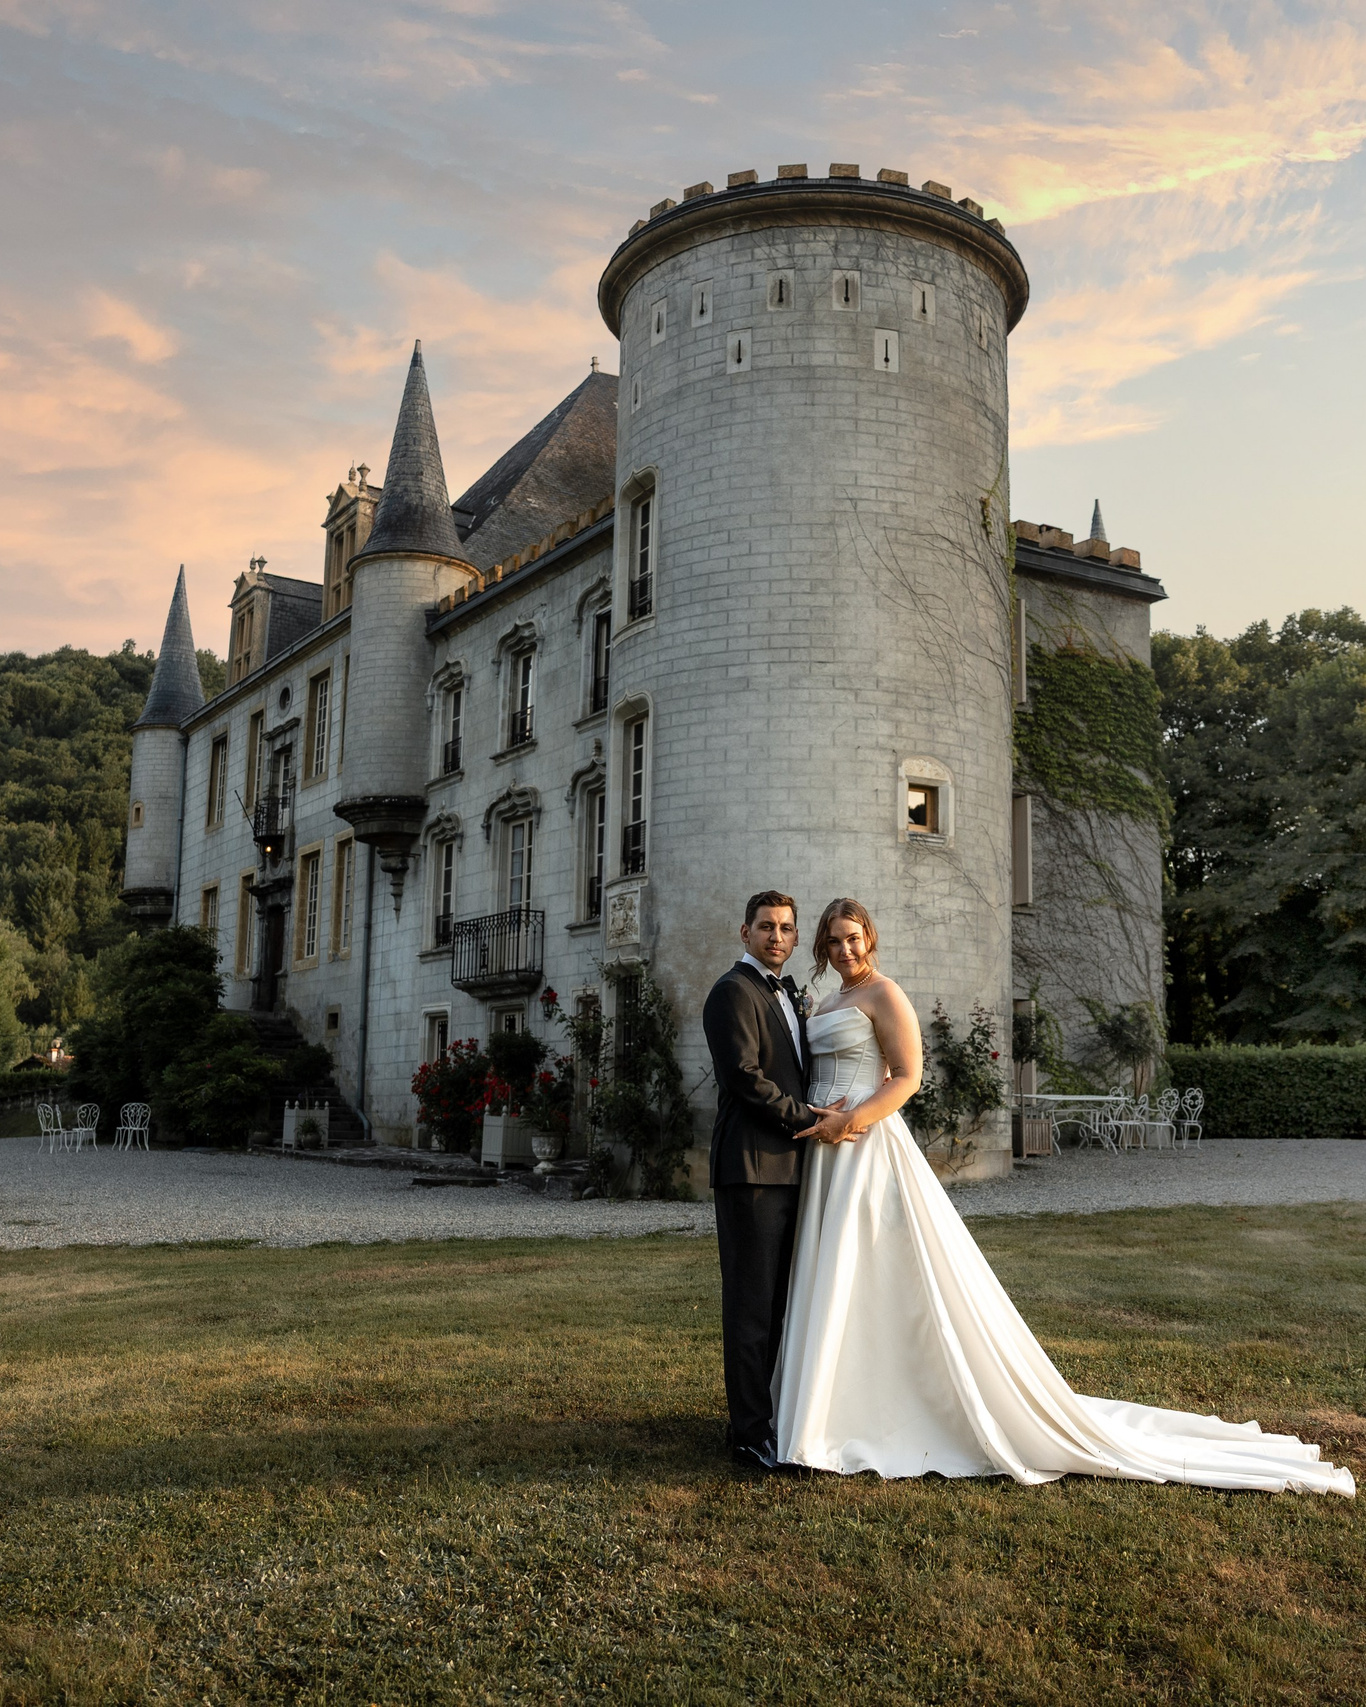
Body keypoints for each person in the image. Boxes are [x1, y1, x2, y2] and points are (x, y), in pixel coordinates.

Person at [769, 897, 1354, 1497]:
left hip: (865, 1145)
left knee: (868, 1267)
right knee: (836, 1271)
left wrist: (851, 1120)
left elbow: (907, 1077)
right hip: (825, 1150)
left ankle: (872, 1411)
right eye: (834, 941)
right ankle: (834, 1403)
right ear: (822, 946)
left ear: (870, 937)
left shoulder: (885, 995)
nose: (845, 949)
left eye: (854, 938)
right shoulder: (828, 1000)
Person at [701, 891, 848, 1472]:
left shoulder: (785, 992)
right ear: (745, 933)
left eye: (787, 928)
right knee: (751, 1307)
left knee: (784, 1303)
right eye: (766, 927)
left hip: (790, 1168)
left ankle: (771, 1419)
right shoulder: (732, 992)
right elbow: (743, 1077)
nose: (778, 937)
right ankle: (748, 1436)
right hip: (752, 1169)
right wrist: (810, 1119)